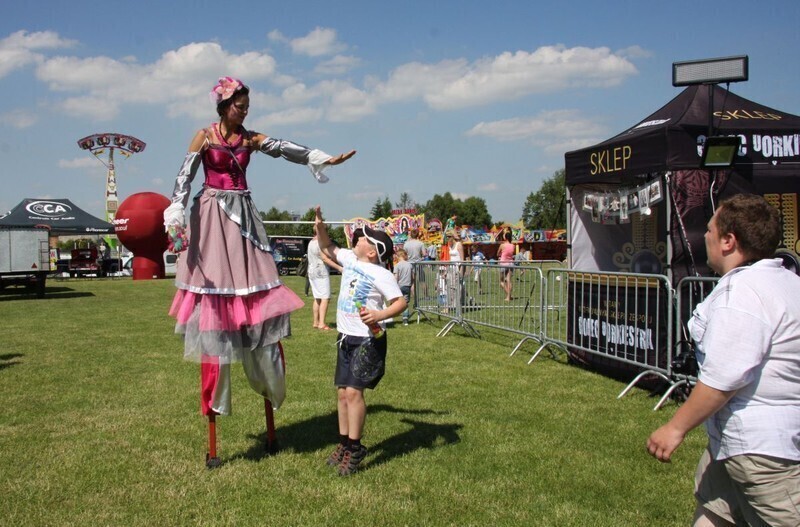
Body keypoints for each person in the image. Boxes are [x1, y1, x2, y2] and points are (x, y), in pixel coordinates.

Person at [163, 76, 355, 467]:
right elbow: (183, 180)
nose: (245, 110)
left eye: (247, 105)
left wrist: (322, 157)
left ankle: (269, 401)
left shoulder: (250, 138)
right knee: (215, 299)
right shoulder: (204, 136)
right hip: (213, 215)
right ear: (224, 105)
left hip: (244, 216)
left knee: (255, 291)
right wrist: (175, 214)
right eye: (239, 104)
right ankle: (215, 427)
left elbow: (283, 148)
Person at [647, 194, 800, 527]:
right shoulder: (785, 281)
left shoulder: (744, 292)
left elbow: (725, 376)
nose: (705, 236)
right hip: (737, 443)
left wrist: (675, 428)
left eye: (711, 230)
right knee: (713, 516)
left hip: (761, 451)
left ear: (729, 241)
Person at [315, 206, 407, 476]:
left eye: (363, 238)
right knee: (342, 393)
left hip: (368, 340)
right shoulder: (350, 260)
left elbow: (400, 302)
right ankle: (344, 443)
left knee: (354, 393)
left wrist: (380, 314)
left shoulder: (382, 274)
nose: (357, 239)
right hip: (345, 337)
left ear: (372, 251)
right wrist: (320, 226)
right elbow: (327, 246)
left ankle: (355, 448)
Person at [307, 226, 342, 330]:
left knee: (317, 298)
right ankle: (322, 323)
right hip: (321, 271)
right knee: (325, 298)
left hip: (312, 271)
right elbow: (325, 258)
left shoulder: (311, 242)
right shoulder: (321, 242)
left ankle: (316, 322)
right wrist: (339, 267)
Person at [393, 249, 412, 325]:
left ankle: (393, 314)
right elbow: (412, 276)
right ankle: (405, 319)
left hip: (399, 286)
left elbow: (396, 277)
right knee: (406, 303)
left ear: (398, 256)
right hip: (407, 285)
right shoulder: (409, 265)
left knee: (397, 301)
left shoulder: (397, 265)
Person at [498, 230, 515, 301]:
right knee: (508, 280)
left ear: (505, 237)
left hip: (503, 263)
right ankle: (509, 296)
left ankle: (508, 295)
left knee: (501, 281)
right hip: (511, 263)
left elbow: (498, 253)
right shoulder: (513, 246)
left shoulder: (502, 245)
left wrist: (500, 255)